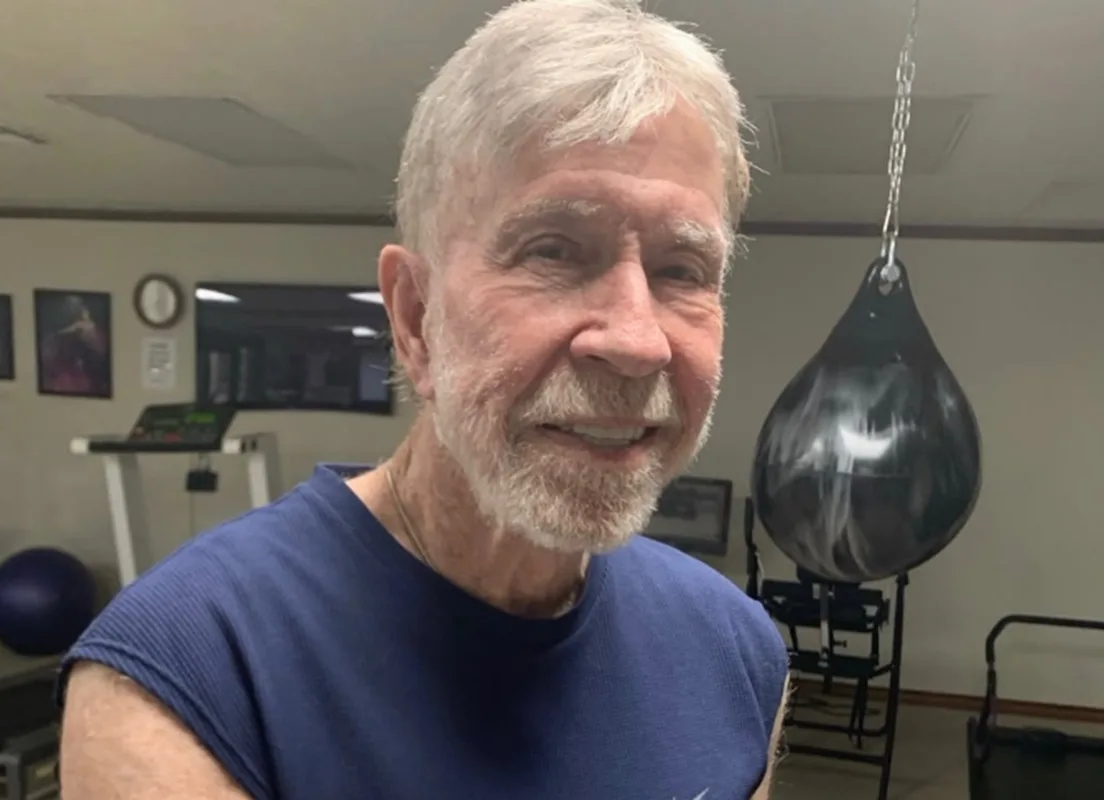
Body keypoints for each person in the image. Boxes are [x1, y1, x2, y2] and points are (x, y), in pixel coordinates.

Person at [57, 1, 791, 797]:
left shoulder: (734, 651)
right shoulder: (187, 679)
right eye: (553, 251)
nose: (638, 341)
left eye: (682, 270)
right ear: (414, 317)